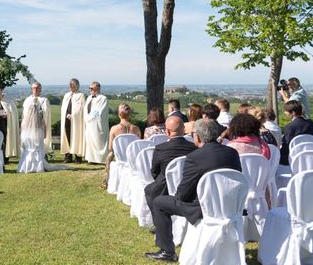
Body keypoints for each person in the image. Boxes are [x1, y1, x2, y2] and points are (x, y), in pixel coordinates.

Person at [146, 119, 242, 262]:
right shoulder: (232, 153)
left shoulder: (195, 157)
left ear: (196, 136)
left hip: (204, 208)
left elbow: (183, 195)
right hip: (230, 206)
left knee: (159, 202)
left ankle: (167, 251)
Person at [144, 117, 197, 225]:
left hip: (166, 186)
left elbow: (154, 172)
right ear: (184, 130)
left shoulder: (160, 148)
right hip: (189, 185)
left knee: (149, 190)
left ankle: (158, 222)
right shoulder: (194, 147)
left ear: (167, 131)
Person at [101, 103, 141, 189]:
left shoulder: (114, 129)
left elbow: (110, 148)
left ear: (119, 114)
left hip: (121, 158)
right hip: (133, 158)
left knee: (109, 155)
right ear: (129, 114)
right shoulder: (136, 129)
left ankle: (106, 181)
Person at [17, 92, 48, 173]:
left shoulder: (25, 121)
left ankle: (26, 166)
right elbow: (44, 133)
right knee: (38, 146)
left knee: (28, 147)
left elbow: (22, 130)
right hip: (37, 141)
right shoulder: (40, 121)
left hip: (27, 142)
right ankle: (38, 166)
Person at [279, 100, 313, 166]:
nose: (285, 113)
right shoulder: (310, 123)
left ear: (293, 113)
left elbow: (286, 147)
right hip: (309, 157)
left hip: (293, 159)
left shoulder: (290, 127)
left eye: (286, 111)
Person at [22, 82, 52, 154]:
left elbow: (46, 114)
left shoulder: (44, 100)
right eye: (34, 88)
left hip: (39, 126)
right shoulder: (27, 100)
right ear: (31, 89)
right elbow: (24, 114)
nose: (35, 89)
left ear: (40, 89)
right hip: (28, 126)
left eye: (37, 88)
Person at [60, 78, 85, 163]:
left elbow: (81, 109)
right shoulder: (66, 95)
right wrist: (66, 114)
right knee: (66, 137)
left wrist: (73, 115)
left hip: (76, 121)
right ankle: (68, 157)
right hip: (66, 120)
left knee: (76, 137)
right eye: (70, 85)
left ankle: (78, 157)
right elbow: (63, 107)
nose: (71, 86)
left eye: (73, 85)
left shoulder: (81, 95)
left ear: (77, 86)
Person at [84, 81, 109, 164]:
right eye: (90, 88)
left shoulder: (103, 98)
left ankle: (99, 159)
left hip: (97, 124)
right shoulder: (88, 98)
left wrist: (90, 118)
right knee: (90, 141)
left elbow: (99, 111)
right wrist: (87, 118)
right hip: (89, 124)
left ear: (97, 88)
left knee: (98, 141)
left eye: (92, 88)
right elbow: (86, 110)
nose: (90, 89)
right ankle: (90, 159)